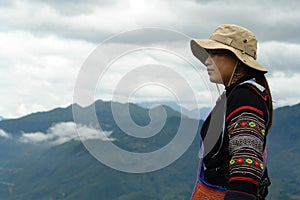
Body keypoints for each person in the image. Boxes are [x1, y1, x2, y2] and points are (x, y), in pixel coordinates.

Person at [190, 24, 273, 200]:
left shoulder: (245, 97)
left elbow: (247, 158)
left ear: (237, 59)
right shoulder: (234, 96)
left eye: (215, 54)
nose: (207, 61)